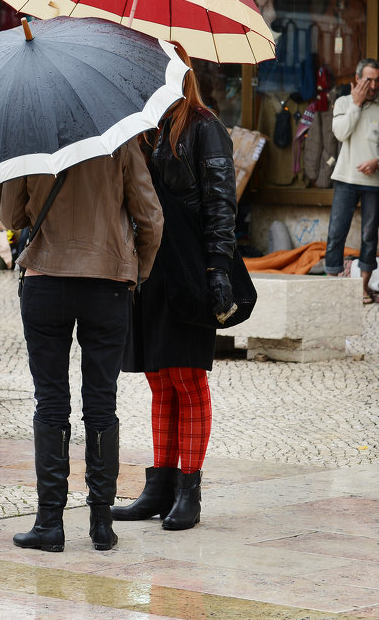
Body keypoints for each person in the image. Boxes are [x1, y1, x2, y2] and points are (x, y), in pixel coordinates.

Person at [0, 140, 163, 553]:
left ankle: (49, 523)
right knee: (101, 403)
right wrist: (136, 272)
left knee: (51, 401)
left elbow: (10, 217)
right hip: (106, 285)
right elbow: (151, 218)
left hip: (45, 280)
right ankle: (102, 523)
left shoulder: (29, 138)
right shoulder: (120, 142)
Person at [113, 44, 236, 532]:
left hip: (190, 266)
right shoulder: (145, 128)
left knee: (187, 377)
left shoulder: (204, 126)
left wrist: (218, 269)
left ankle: (189, 489)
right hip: (151, 269)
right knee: (158, 377)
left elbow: (222, 203)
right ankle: (159, 486)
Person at [324, 58, 379, 302]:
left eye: (377, 80)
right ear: (357, 80)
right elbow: (341, 133)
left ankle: (363, 286)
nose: (373, 85)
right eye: (368, 80)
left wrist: (378, 161)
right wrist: (357, 104)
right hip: (346, 177)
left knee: (370, 235)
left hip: (375, 180)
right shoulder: (343, 102)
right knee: (336, 232)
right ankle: (333, 285)